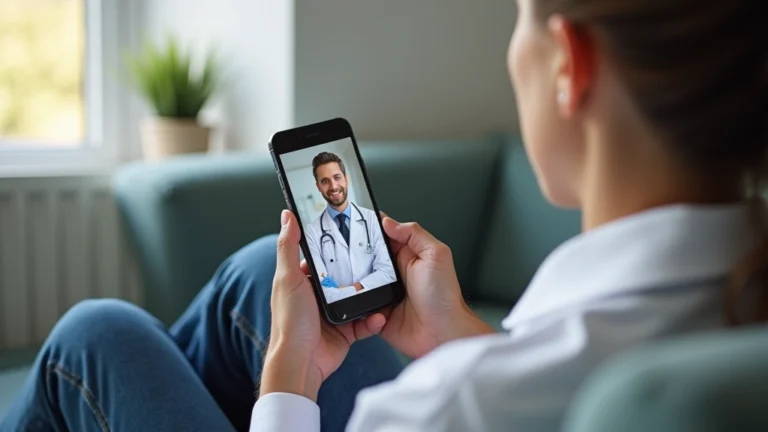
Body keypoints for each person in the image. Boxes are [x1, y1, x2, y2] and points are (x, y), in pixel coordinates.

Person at [1, 0, 765, 430]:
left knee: (99, 333)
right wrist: (461, 337)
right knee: (250, 277)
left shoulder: (442, 411)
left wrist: (288, 380)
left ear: (570, 64)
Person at [303, 151, 396, 303]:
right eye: (325, 181)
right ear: (318, 186)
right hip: (341, 315)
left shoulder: (372, 219)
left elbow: (388, 273)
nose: (333, 186)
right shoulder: (312, 232)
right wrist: (367, 285)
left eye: (337, 177)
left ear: (347, 179)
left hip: (379, 304)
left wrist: (348, 289)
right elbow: (324, 292)